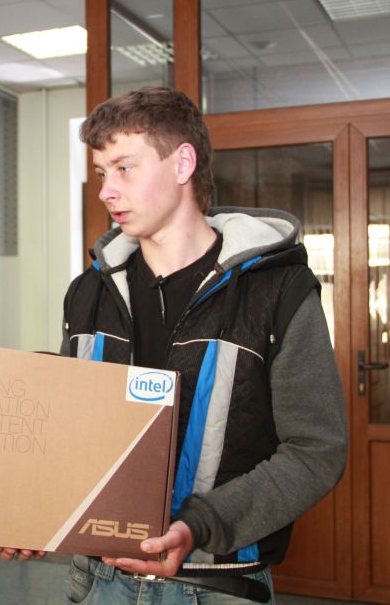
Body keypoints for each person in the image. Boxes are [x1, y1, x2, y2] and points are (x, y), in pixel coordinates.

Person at [55, 87, 348, 604]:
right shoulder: (87, 293)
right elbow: (67, 429)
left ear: (183, 163)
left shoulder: (278, 292)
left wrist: (199, 525)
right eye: (101, 173)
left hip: (218, 585)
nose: (105, 191)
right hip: (97, 581)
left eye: (124, 168)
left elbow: (316, 451)